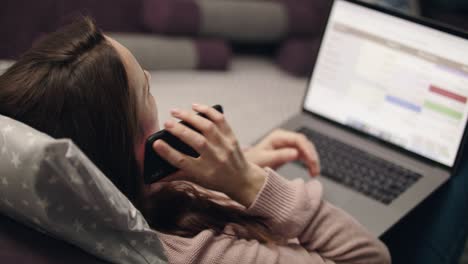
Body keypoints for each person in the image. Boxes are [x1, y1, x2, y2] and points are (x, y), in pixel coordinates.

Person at [0, 17, 390, 263]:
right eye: (146, 90)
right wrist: (251, 183)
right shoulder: (206, 255)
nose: (151, 77)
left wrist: (237, 163)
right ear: (133, 153)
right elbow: (369, 256)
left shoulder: (71, 205)